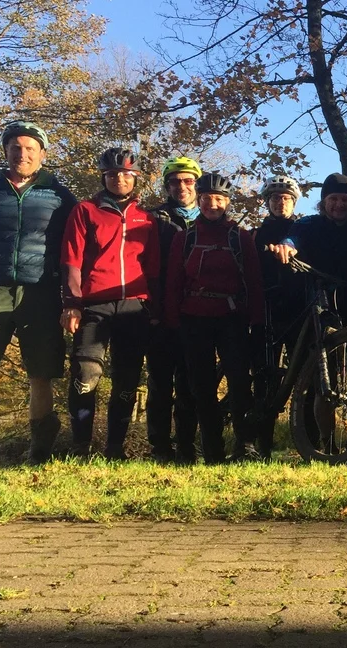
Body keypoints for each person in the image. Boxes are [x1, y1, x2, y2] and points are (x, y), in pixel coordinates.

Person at [0, 121, 76, 468]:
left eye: (29, 148)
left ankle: (39, 453)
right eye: (15, 148)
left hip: (40, 292)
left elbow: (72, 243)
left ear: (42, 154)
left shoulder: (59, 195)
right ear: (5, 151)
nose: (22, 154)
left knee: (40, 372)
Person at [61, 148, 159, 458]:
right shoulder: (85, 211)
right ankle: (80, 447)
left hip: (134, 306)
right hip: (94, 304)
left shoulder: (146, 217)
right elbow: (71, 259)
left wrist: (154, 306)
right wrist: (71, 303)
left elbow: (154, 265)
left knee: (127, 379)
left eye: (126, 174)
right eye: (113, 174)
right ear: (104, 177)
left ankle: (115, 448)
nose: (120, 178)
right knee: (85, 374)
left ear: (135, 178)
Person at [164, 172, 264, 464]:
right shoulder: (186, 237)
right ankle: (213, 452)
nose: (212, 204)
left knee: (239, 385)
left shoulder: (239, 236)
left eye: (219, 199)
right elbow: (173, 282)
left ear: (227, 203)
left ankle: (244, 445)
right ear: (199, 199)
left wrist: (256, 322)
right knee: (201, 388)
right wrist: (172, 323)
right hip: (193, 320)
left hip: (231, 319)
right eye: (207, 199)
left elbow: (254, 283)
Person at [147, 156, 203, 464]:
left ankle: (186, 446)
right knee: (159, 383)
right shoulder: (154, 219)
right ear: (167, 186)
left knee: (189, 382)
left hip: (195, 313)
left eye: (188, 180)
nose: (181, 186)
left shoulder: (211, 217)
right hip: (159, 311)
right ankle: (159, 447)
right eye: (174, 181)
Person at [269, 173, 347, 325]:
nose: (339, 204)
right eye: (333, 199)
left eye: (345, 199)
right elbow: (293, 238)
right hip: (316, 296)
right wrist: (287, 246)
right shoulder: (309, 223)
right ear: (324, 202)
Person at [250, 174, 304, 457]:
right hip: (266, 310)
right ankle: (263, 444)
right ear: (267, 202)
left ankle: (311, 440)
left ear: (293, 202)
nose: (280, 202)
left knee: (304, 376)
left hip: (297, 311)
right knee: (264, 378)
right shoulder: (256, 233)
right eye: (275, 198)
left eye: (285, 198)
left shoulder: (303, 230)